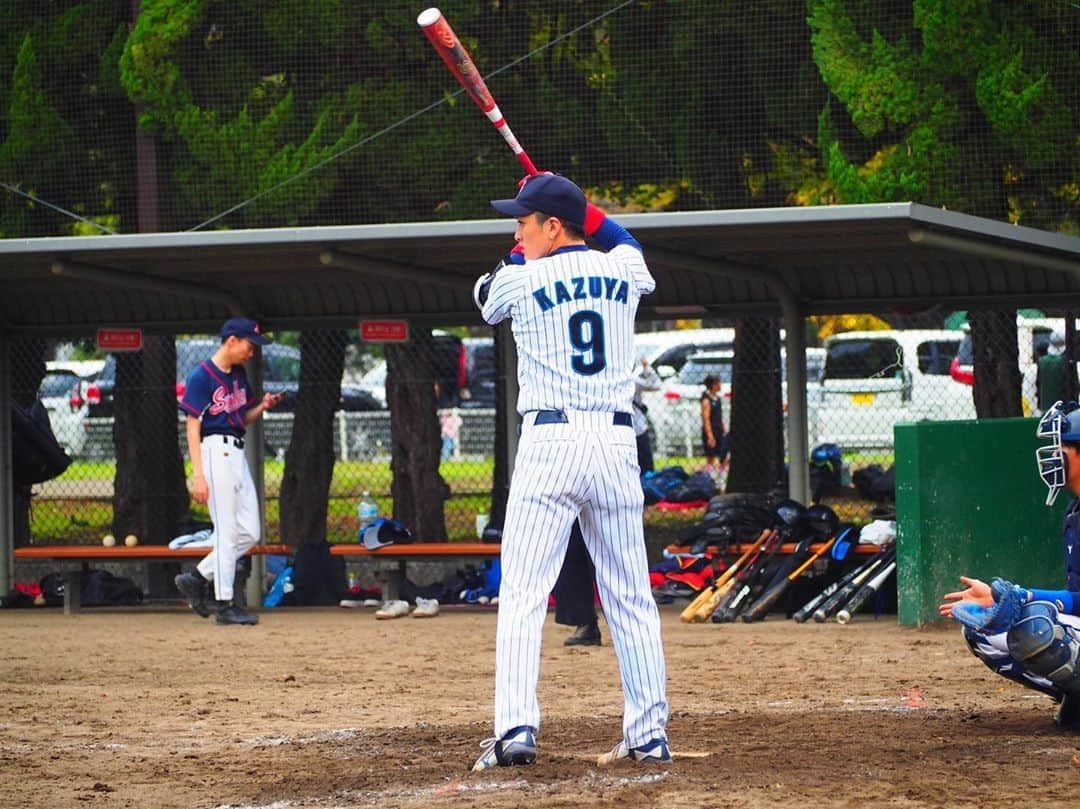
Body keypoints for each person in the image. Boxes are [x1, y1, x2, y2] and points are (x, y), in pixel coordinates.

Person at [470, 173, 670, 771]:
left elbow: (487, 297)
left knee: (525, 592)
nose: (516, 232)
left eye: (524, 222)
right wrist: (587, 212)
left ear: (551, 227)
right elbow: (625, 239)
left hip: (551, 442)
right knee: (631, 595)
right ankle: (649, 733)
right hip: (614, 443)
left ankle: (515, 730)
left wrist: (535, 239)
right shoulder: (624, 271)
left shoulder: (520, 276)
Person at [938, 399, 1080, 729]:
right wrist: (1005, 600)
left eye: (1064, 448)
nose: (1054, 455)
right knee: (982, 628)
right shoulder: (1074, 512)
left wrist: (1024, 598)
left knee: (1034, 626)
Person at [174, 318, 286, 626]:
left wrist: (262, 406)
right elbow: (193, 426)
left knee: (250, 531)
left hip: (236, 452)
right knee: (227, 531)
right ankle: (224, 605)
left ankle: (197, 577)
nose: (252, 352)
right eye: (249, 345)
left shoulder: (237, 375)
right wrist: (198, 474)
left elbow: (239, 419)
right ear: (232, 341)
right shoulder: (201, 376)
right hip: (213, 452)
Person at [553, 357, 662, 648]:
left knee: (617, 546)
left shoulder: (621, 370)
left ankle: (631, 631)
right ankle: (585, 621)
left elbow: (653, 384)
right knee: (572, 541)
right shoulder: (559, 371)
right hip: (568, 445)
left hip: (613, 446)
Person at [1036, 330, 1072, 415]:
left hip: (1045, 406)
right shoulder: (1065, 362)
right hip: (1063, 406)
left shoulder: (1042, 361)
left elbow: (1038, 382)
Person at [700, 374, 728, 479]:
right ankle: (710, 477)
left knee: (723, 456)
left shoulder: (718, 399)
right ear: (713, 385)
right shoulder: (706, 400)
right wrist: (710, 435)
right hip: (711, 431)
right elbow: (706, 419)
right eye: (718, 383)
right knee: (711, 457)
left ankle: (721, 476)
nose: (720, 385)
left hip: (719, 430)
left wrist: (724, 428)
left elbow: (719, 416)